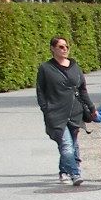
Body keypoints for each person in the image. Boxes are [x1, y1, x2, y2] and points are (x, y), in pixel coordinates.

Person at [34, 36, 94, 186]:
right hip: (56, 113)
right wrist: (46, 109)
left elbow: (82, 89)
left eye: (66, 46)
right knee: (66, 145)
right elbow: (40, 91)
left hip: (75, 112)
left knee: (71, 145)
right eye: (61, 47)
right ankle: (75, 173)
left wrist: (91, 108)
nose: (65, 49)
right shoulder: (45, 68)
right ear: (52, 49)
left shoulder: (74, 66)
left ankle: (63, 171)